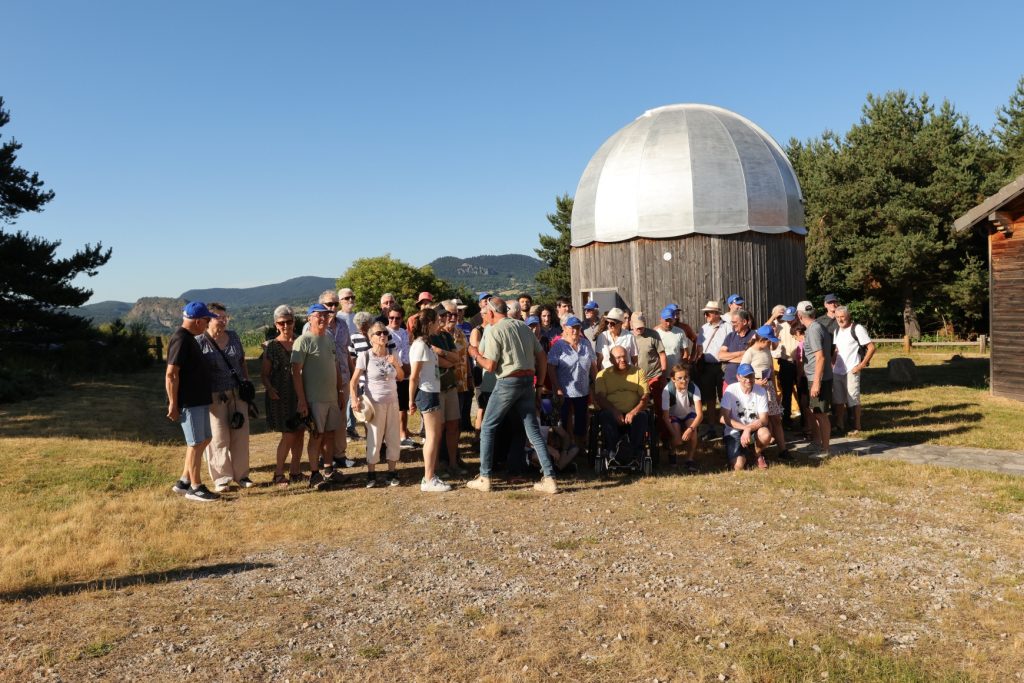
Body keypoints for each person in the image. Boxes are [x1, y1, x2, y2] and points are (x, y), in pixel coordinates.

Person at [466, 297, 559, 494]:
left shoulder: (494, 330)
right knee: (532, 430)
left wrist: (474, 354)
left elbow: (490, 365)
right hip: (527, 381)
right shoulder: (523, 326)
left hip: (508, 381)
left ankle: (485, 476)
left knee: (488, 426)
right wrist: (540, 385)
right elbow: (542, 356)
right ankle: (549, 478)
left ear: (491, 313)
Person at [196, 302, 253, 492]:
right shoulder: (200, 342)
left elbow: (242, 361)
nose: (223, 320)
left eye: (224, 317)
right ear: (208, 320)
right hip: (214, 397)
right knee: (219, 437)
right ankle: (221, 478)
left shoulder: (234, 337)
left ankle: (242, 475)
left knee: (240, 435)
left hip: (238, 394)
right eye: (218, 317)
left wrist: (246, 381)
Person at [166, 301, 220, 502]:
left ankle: (184, 482)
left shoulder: (190, 338)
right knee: (196, 443)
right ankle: (196, 488)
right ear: (198, 321)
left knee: (204, 439)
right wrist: (173, 403)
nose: (208, 324)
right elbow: (171, 374)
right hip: (189, 402)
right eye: (207, 320)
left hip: (199, 400)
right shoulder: (181, 340)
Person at [291, 303, 345, 490]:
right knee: (316, 436)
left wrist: (339, 392)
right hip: (314, 398)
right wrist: (302, 400)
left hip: (331, 397)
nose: (322, 318)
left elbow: (336, 367)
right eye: (318, 315)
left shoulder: (329, 339)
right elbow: (295, 372)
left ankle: (328, 470)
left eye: (325, 315)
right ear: (309, 319)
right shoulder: (303, 340)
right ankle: (315, 474)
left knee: (330, 435)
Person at [351, 321, 404, 487]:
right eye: (379, 333)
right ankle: (371, 473)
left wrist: (395, 363)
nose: (383, 336)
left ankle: (392, 472)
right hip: (374, 403)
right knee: (374, 437)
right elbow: (353, 382)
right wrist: (354, 400)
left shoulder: (393, 353)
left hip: (392, 401)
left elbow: (401, 377)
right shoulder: (365, 356)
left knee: (393, 437)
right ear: (370, 338)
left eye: (385, 333)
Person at [304, 289, 355, 463]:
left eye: (335, 304)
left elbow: (346, 351)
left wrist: (353, 373)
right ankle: (321, 457)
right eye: (329, 304)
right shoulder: (309, 327)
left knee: (340, 420)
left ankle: (339, 455)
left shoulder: (342, 325)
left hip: (343, 379)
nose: (332, 307)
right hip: (320, 383)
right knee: (320, 422)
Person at [408, 307, 453, 492]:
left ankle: (430, 475)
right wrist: (410, 401)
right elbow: (414, 376)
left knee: (435, 435)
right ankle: (428, 478)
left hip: (432, 391)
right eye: (436, 321)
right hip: (426, 393)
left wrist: (453, 359)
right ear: (428, 324)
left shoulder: (425, 345)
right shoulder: (419, 345)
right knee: (432, 436)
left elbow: (443, 363)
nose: (439, 324)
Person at [261, 305, 305, 487]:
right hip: (281, 395)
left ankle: (295, 471)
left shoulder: (301, 342)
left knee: (300, 433)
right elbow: (264, 374)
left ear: (294, 322)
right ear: (276, 324)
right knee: (288, 434)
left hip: (300, 394)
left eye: (289, 321)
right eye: (282, 322)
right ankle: (278, 473)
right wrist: (270, 389)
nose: (286, 325)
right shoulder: (272, 347)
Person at [547, 315, 597, 458]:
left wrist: (596, 384)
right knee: (563, 420)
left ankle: (580, 447)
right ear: (566, 329)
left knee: (581, 420)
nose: (575, 330)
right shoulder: (559, 346)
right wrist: (556, 387)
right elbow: (551, 367)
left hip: (583, 390)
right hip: (565, 390)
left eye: (577, 327)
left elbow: (593, 366)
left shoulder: (585, 344)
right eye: (572, 328)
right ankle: (566, 447)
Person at [741, 324, 790, 461]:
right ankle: (760, 450)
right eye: (769, 341)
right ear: (762, 340)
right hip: (756, 389)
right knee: (761, 420)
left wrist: (775, 390)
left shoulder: (767, 350)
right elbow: (742, 375)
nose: (770, 344)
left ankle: (783, 449)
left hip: (769, 388)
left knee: (776, 419)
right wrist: (756, 382)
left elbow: (771, 373)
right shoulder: (750, 353)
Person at [593, 346, 650, 462]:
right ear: (611, 360)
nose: (623, 360)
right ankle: (613, 450)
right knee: (605, 416)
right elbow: (600, 398)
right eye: (618, 358)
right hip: (611, 411)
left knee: (642, 416)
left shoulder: (639, 372)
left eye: (624, 356)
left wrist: (634, 412)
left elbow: (645, 396)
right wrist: (614, 411)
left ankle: (634, 451)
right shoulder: (603, 375)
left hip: (634, 412)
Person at [832, 305, 876, 435]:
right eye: (837, 317)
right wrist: (831, 364)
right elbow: (836, 350)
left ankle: (857, 426)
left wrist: (861, 365)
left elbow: (871, 348)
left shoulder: (857, 328)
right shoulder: (837, 331)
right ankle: (839, 425)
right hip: (837, 370)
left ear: (848, 316)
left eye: (842, 317)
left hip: (852, 369)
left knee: (853, 399)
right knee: (838, 400)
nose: (840, 320)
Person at [435, 301, 467, 475]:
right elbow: (449, 360)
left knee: (455, 424)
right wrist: (449, 358)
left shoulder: (460, 333)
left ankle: (454, 459)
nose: (453, 317)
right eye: (449, 314)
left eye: (456, 314)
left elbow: (462, 358)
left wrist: (469, 378)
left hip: (459, 383)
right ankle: (442, 461)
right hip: (440, 385)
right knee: (440, 426)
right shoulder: (434, 335)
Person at [797, 300, 833, 455]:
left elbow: (820, 357)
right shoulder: (818, 327)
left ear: (799, 315)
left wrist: (816, 382)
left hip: (818, 378)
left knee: (820, 413)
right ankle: (817, 443)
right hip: (815, 376)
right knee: (814, 411)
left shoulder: (813, 329)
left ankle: (825, 449)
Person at [720, 363, 772, 471]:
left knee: (766, 435)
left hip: (753, 428)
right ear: (738, 377)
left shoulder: (761, 391)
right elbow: (724, 417)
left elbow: (764, 419)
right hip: (733, 430)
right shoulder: (730, 390)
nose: (749, 380)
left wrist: (748, 429)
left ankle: (757, 453)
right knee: (738, 466)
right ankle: (744, 453)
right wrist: (745, 428)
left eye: (751, 376)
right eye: (745, 377)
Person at [660, 363, 703, 472]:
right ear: (673, 379)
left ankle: (690, 459)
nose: (684, 380)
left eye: (686, 377)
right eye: (680, 378)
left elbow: (700, 415)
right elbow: (665, 417)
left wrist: (690, 429)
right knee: (677, 439)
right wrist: (675, 435)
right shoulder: (667, 390)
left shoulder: (694, 387)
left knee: (692, 434)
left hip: (689, 413)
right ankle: (672, 452)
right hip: (674, 415)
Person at [694, 300, 728, 430]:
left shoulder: (727, 327)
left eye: (708, 313)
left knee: (724, 397)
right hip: (707, 366)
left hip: (723, 366)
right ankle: (712, 427)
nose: (705, 316)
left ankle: (727, 427)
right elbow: (699, 346)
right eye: (706, 313)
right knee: (709, 398)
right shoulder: (703, 328)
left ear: (716, 313)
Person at [386, 305, 416, 448]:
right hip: (391, 374)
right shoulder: (384, 332)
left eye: (397, 318)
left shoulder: (404, 332)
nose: (394, 320)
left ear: (402, 318)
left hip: (405, 372)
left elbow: (407, 351)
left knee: (403, 406)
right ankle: (390, 436)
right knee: (391, 408)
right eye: (391, 317)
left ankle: (403, 434)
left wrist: (408, 368)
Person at [776, 306, 800, 428]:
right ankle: (786, 420)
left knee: (802, 393)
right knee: (786, 393)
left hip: (800, 363)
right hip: (786, 363)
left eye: (791, 318)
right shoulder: (781, 326)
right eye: (787, 318)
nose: (789, 321)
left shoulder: (802, 327)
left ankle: (805, 420)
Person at [718, 309, 754, 387]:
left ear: (744, 322)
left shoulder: (754, 336)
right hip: (729, 381)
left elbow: (751, 358)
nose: (732, 325)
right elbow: (721, 356)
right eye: (732, 322)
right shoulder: (730, 336)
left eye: (734, 322)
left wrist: (729, 359)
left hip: (746, 382)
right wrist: (741, 353)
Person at [654, 306, 691, 373]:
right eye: (666, 321)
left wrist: (682, 368)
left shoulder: (680, 332)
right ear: (661, 319)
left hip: (676, 373)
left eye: (670, 321)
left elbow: (686, 352)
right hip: (660, 373)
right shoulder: (656, 333)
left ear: (674, 320)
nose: (668, 324)